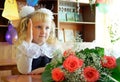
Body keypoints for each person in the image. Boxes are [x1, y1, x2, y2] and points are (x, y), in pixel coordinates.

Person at [15, 6, 58, 75]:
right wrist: (28, 41)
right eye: (39, 27)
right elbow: (24, 71)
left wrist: (43, 69)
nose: (43, 31)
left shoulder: (52, 47)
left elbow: (59, 67)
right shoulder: (23, 46)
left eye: (47, 28)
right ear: (28, 28)